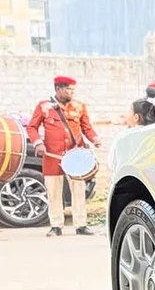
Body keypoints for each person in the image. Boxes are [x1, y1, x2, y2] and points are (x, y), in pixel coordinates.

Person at [25, 76, 101, 237]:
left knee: (78, 190)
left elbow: (87, 128)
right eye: (69, 89)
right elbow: (31, 127)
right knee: (54, 191)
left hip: (75, 156)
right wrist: (38, 143)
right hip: (53, 156)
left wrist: (95, 139)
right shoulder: (44, 106)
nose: (72, 93)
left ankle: (81, 225)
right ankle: (56, 226)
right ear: (58, 89)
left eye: (73, 90)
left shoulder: (79, 106)